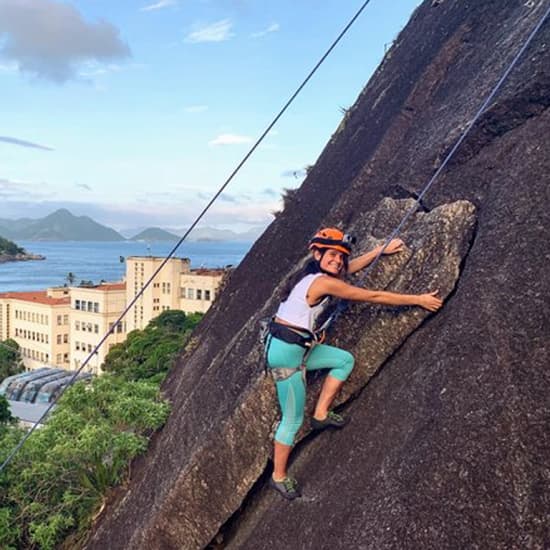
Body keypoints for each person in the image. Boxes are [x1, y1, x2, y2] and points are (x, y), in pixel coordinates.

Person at [265, 227, 443, 500]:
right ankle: (278, 477)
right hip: (287, 354)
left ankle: (321, 415)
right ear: (317, 253)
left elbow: (347, 271)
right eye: (332, 254)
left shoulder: (314, 275)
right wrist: (418, 300)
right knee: (292, 419)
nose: (337, 260)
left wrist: (380, 250)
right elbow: (372, 296)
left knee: (343, 360)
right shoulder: (322, 282)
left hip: (294, 346)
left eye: (341, 257)